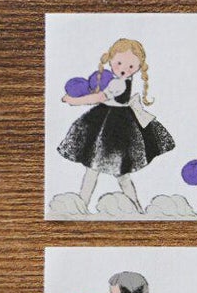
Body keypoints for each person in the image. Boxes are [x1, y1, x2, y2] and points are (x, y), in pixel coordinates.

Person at [57, 38, 175, 212]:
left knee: (105, 172)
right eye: (119, 63)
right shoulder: (116, 80)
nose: (123, 69)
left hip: (113, 130)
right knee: (113, 173)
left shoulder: (118, 83)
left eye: (131, 66)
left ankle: (85, 205)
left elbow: (98, 98)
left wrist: (74, 101)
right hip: (109, 124)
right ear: (111, 59)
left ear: (138, 67)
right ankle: (132, 208)